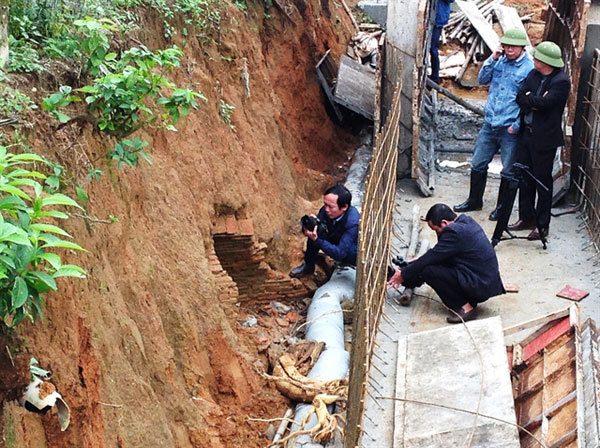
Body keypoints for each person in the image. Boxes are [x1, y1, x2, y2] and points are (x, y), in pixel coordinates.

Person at [454, 28, 534, 221]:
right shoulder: (500, 61)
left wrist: (517, 124)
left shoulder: (529, 69)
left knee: (508, 170)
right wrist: (493, 58)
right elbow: (482, 79)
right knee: (478, 163)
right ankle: (474, 200)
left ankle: (502, 208)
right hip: (490, 124)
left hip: (510, 128)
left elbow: (530, 102)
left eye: (512, 47)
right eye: (506, 46)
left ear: (522, 47)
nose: (508, 50)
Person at [387, 204, 505, 323]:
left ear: (444, 223)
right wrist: (412, 266)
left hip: (479, 286)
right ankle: (407, 280)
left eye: (436, 230)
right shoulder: (466, 222)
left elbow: (432, 258)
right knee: (428, 264)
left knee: (429, 270)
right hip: (483, 282)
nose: (437, 234)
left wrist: (403, 274)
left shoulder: (454, 232)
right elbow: (439, 255)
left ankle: (466, 308)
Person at [507, 42, 570, 241]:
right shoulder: (534, 75)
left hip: (544, 139)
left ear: (546, 62)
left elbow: (546, 104)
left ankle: (542, 225)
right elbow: (520, 97)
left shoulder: (561, 81)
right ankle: (526, 217)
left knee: (542, 181)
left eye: (537, 58)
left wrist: (531, 100)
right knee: (524, 177)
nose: (533, 60)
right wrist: (534, 100)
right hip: (527, 134)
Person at [290, 185, 360, 278]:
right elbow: (319, 228)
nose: (326, 209)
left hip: (348, 247)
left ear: (344, 207)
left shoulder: (352, 222)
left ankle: (347, 267)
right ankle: (309, 266)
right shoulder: (325, 211)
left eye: (330, 207)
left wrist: (318, 240)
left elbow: (340, 253)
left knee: (351, 253)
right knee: (315, 233)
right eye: (325, 204)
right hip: (334, 235)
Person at [430, 0, 455, 84]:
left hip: (437, 20)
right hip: (426, 18)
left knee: (433, 49)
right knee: (424, 49)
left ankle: (435, 78)